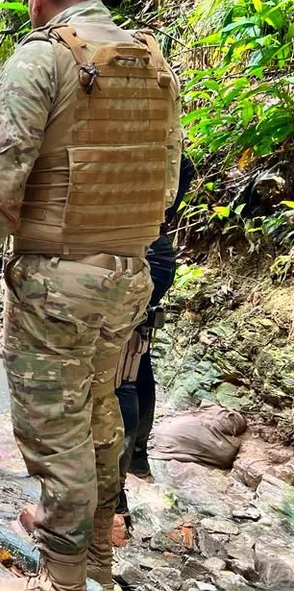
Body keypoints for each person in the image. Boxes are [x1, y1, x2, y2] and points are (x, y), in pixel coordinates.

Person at [0, 0, 182, 591]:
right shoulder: (156, 64)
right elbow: (166, 179)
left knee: (54, 434)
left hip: (58, 282)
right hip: (130, 275)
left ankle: (64, 578)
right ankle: (99, 565)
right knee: (100, 411)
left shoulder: (41, 60)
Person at [116, 155, 195, 513]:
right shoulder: (168, 147)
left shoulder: (136, 138)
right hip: (156, 248)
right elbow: (186, 167)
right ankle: (136, 458)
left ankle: (117, 485)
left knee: (123, 368)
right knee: (137, 354)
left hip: (139, 250)